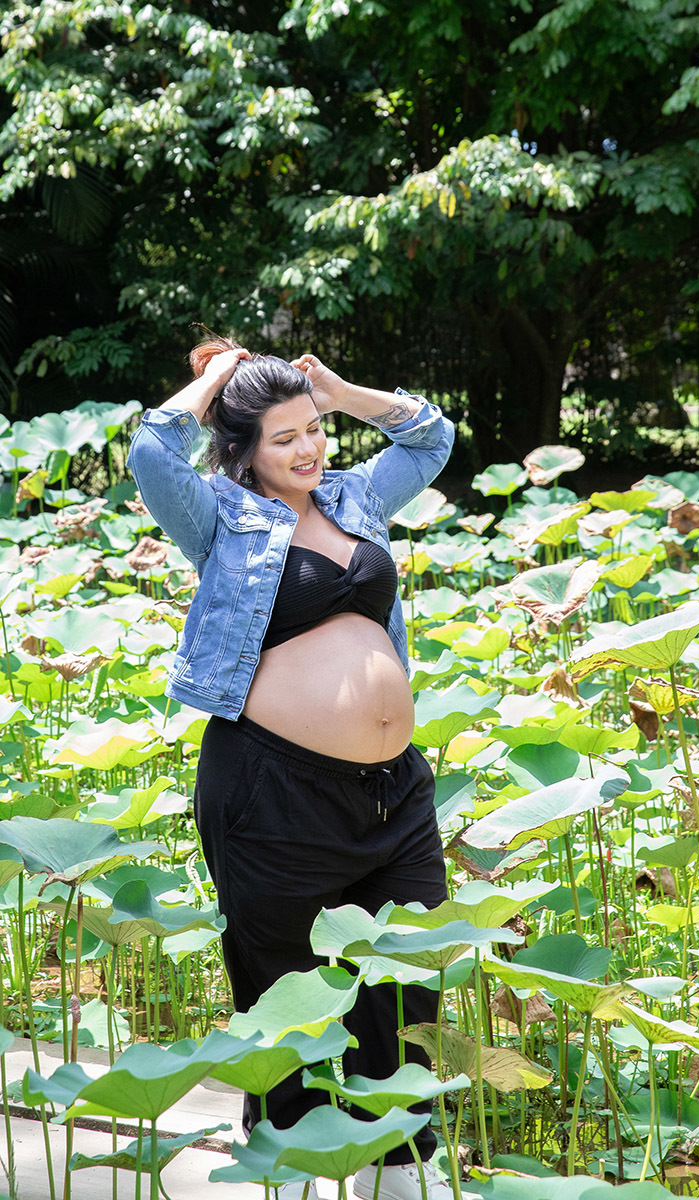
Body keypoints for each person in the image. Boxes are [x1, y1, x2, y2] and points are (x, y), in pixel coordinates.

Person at [127, 339, 456, 1200]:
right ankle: (294, 1177)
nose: (310, 450)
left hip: (395, 794)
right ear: (240, 450)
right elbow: (151, 450)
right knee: (291, 1009)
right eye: (285, 439)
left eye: (315, 431)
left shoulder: (353, 496)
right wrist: (213, 380)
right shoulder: (216, 518)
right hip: (273, 793)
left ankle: (397, 1180)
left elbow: (432, 438)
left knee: (410, 982)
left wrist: (343, 391)